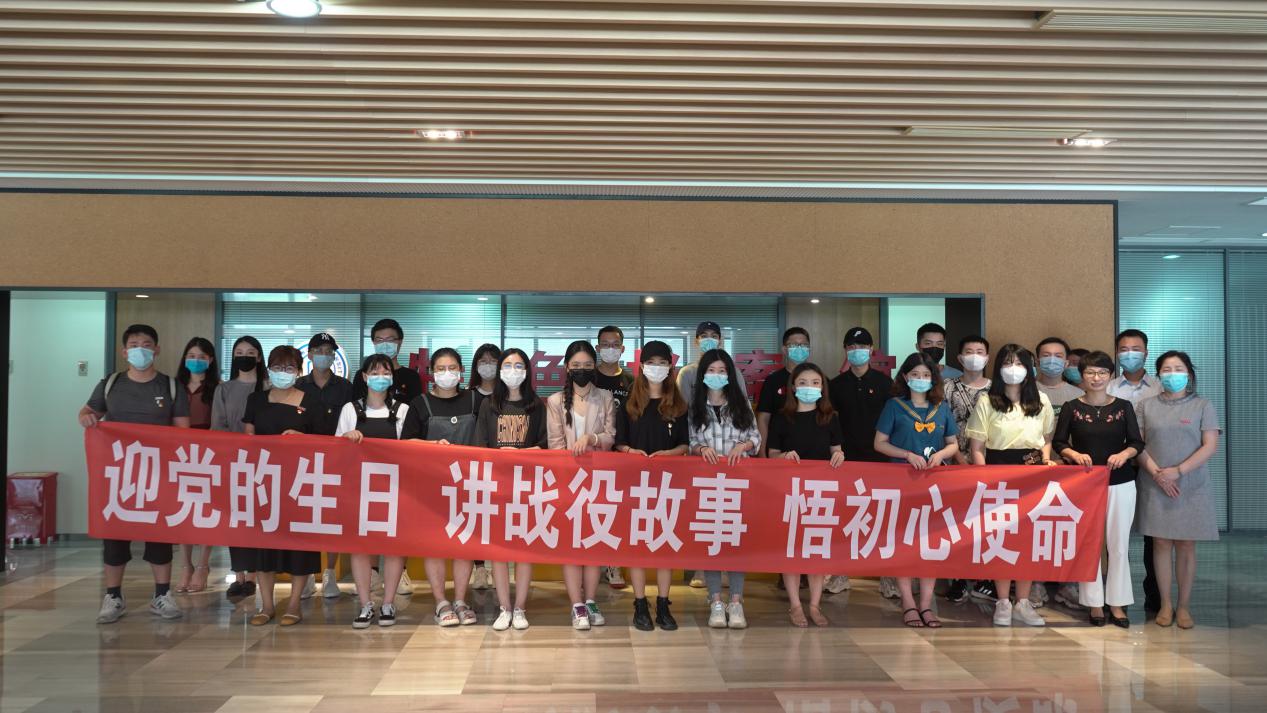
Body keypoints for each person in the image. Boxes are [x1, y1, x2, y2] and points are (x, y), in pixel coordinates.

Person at [79, 324, 190, 624]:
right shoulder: (110, 384)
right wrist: (88, 419)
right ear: (124, 351)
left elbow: (183, 432)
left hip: (159, 474)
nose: (140, 349)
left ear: (157, 349)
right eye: (134, 344)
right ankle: (113, 596)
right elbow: (86, 413)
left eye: (147, 344)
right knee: (115, 534)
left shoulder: (170, 386)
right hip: (118, 475)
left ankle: (162, 594)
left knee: (160, 533)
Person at [965, 343, 1056, 627]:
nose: (1013, 368)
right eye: (1007, 362)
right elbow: (977, 447)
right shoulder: (987, 401)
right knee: (1002, 539)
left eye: (1019, 363)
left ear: (1029, 368)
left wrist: (1045, 461)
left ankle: (1023, 603)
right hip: (997, 474)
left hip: (1032, 476)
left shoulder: (1041, 400)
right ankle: (1003, 601)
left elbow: (1046, 439)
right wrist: (984, 480)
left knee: (1027, 540)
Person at [1053, 350, 1144, 628]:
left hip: (1121, 482)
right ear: (1082, 376)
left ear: (1110, 376)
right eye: (1091, 372)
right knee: (1089, 544)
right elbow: (1059, 442)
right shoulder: (1071, 407)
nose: (1096, 377)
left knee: (1118, 545)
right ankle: (1094, 603)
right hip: (1085, 484)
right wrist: (1073, 454)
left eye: (1102, 372)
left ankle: (1117, 603)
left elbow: (1137, 442)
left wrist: (1124, 454)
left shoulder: (1124, 407)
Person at [874, 353, 959, 628]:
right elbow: (879, 443)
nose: (920, 379)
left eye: (925, 375)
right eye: (915, 375)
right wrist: (907, 455)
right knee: (904, 543)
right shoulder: (894, 406)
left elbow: (953, 443)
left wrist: (942, 454)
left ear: (933, 379)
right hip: (902, 482)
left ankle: (926, 604)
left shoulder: (941, 407)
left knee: (929, 543)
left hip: (934, 485)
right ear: (905, 376)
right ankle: (908, 601)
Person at [1136, 351, 1220, 630]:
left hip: (1191, 485)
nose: (1172, 374)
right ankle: (1165, 604)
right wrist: (1159, 474)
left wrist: (1179, 471)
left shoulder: (1203, 405)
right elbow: (1137, 445)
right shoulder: (1146, 406)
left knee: (1186, 544)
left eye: (1178, 368)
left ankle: (1183, 606)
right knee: (1160, 543)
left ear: (1189, 374)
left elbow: (1210, 445)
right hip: (1155, 482)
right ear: (1158, 375)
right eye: (1167, 369)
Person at [240, 345, 322, 627]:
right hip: (263, 481)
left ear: (298, 371)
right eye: (277, 367)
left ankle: (295, 603)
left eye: (289, 368)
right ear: (268, 370)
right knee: (264, 545)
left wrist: (302, 438)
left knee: (299, 545)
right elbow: (247, 437)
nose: (282, 373)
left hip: (299, 482)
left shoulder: (311, 401)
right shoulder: (256, 400)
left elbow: (324, 441)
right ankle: (267, 605)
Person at [402, 347, 484, 626]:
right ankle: (441, 602)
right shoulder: (419, 403)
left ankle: (460, 600)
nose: (447, 373)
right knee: (434, 545)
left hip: (469, 483)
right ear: (431, 372)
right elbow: (406, 443)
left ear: (461, 371)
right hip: (431, 485)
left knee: (464, 544)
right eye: (441, 369)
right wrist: (432, 446)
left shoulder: (475, 400)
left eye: (452, 368)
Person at [614, 340, 689, 631]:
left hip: (669, 485)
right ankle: (640, 602)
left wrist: (670, 454)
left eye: (662, 363)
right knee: (638, 546)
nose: (656, 368)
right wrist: (629, 451)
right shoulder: (629, 405)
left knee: (664, 545)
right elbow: (619, 443)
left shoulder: (678, 405)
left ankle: (663, 602)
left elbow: (685, 445)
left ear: (670, 367)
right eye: (651, 363)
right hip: (635, 485)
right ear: (642, 366)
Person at [767, 362, 845, 628]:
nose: (809, 387)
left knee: (816, 551)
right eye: (803, 382)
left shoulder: (830, 417)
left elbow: (836, 449)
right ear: (793, 387)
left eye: (815, 382)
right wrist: (784, 456)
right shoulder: (782, 417)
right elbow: (771, 454)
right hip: (789, 494)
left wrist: (839, 455)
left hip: (821, 494)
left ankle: (814, 604)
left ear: (822, 387)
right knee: (791, 551)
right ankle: (796, 605)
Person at [336, 354, 411, 629]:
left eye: (386, 372)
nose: (381, 377)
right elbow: (335, 449)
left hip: (394, 488)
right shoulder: (350, 409)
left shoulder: (402, 409)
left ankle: (388, 602)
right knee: (360, 547)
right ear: (365, 377)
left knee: (393, 547)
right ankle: (366, 603)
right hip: (359, 489)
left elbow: (411, 448)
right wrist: (347, 439)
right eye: (375, 372)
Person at [474, 347, 547, 631]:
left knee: (524, 550)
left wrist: (520, 454)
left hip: (527, 486)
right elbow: (480, 446)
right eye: (507, 365)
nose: (512, 371)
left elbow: (545, 446)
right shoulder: (489, 404)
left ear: (527, 371)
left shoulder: (536, 405)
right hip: (496, 486)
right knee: (499, 551)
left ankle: (520, 607)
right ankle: (504, 607)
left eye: (518, 366)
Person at [546, 340, 617, 631]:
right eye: (576, 365)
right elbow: (554, 445)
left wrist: (592, 439)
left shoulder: (606, 397)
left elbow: (611, 436)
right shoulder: (554, 402)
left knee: (593, 545)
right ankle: (576, 604)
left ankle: (591, 601)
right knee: (572, 546)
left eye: (588, 365)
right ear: (567, 368)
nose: (582, 370)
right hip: (568, 482)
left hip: (599, 481)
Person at [688, 348, 761, 630]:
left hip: (738, 485)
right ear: (702, 374)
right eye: (711, 370)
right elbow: (690, 440)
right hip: (707, 486)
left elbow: (756, 437)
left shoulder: (741, 404)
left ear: (730, 374)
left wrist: (744, 445)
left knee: (735, 543)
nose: (716, 375)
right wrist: (700, 448)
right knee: (712, 543)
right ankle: (716, 601)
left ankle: (737, 601)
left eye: (722, 371)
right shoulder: (695, 406)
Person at [826, 326, 891, 595]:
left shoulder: (886, 383)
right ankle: (840, 574)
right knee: (845, 516)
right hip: (846, 460)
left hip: (881, 460)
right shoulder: (835, 385)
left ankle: (888, 576)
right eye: (851, 347)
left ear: (871, 350)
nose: (857, 351)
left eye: (862, 346)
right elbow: (830, 421)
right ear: (845, 350)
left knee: (883, 518)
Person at [296, 332, 356, 601]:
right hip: (304, 463)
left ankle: (330, 572)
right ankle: (308, 574)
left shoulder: (345, 387)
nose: (324, 356)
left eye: (328, 352)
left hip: (337, 462)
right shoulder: (298, 385)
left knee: (333, 518)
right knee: (305, 518)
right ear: (309, 355)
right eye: (318, 351)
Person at [1107, 328, 1163, 614]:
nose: (1130, 354)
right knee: (1116, 535)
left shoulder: (1160, 388)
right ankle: (1117, 598)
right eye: (1124, 349)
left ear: (1146, 353)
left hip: (1154, 467)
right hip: (1117, 467)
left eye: (1136, 349)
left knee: (1154, 535)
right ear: (1117, 353)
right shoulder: (1108, 387)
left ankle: (1155, 596)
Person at [212, 335, 267, 599]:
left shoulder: (268, 386)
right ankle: (239, 575)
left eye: (250, 352)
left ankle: (255, 575)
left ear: (259, 357)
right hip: (233, 461)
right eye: (239, 352)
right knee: (236, 519)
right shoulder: (223, 389)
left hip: (264, 462)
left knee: (259, 518)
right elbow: (217, 426)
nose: (245, 356)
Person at [173, 336, 219, 594]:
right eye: (191, 356)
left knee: (206, 510)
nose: (196, 361)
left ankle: (202, 565)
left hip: (208, 454)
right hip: (178, 453)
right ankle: (185, 566)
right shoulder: (174, 386)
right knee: (182, 509)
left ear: (210, 360)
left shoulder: (217, 388)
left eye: (202, 357)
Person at [593, 325, 634, 590]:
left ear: (622, 348)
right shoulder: (590, 377)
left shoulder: (631, 381)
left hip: (622, 455)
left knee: (617, 510)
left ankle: (612, 563)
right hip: (593, 454)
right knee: (591, 508)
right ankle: (590, 562)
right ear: (598, 348)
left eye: (615, 344)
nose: (610, 349)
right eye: (605, 344)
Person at [466, 342, 502, 590]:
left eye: (493, 361)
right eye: (483, 361)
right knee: (476, 517)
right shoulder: (468, 396)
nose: (488, 366)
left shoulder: (508, 394)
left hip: (501, 467)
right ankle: (479, 568)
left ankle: (499, 568)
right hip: (473, 465)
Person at [757, 327, 812, 457]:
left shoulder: (819, 380)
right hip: (778, 452)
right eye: (794, 345)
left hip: (814, 452)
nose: (799, 348)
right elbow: (763, 418)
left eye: (804, 345)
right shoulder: (773, 380)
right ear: (784, 349)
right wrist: (762, 453)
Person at [677, 321, 748, 406]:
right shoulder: (687, 372)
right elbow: (681, 407)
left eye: (714, 336)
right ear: (696, 341)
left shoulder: (734, 371)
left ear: (719, 341)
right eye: (704, 336)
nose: (709, 340)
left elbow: (743, 403)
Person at [357, 318, 423, 404]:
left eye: (390, 340)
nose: (385, 344)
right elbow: (356, 407)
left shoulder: (411, 377)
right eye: (379, 340)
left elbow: (416, 409)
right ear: (373, 342)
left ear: (400, 342)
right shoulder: (363, 375)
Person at [1035, 337, 1085, 419]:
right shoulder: (1025, 391)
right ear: (1037, 362)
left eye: (1058, 356)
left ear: (1066, 363)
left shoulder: (1079, 395)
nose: (1052, 360)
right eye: (1046, 355)